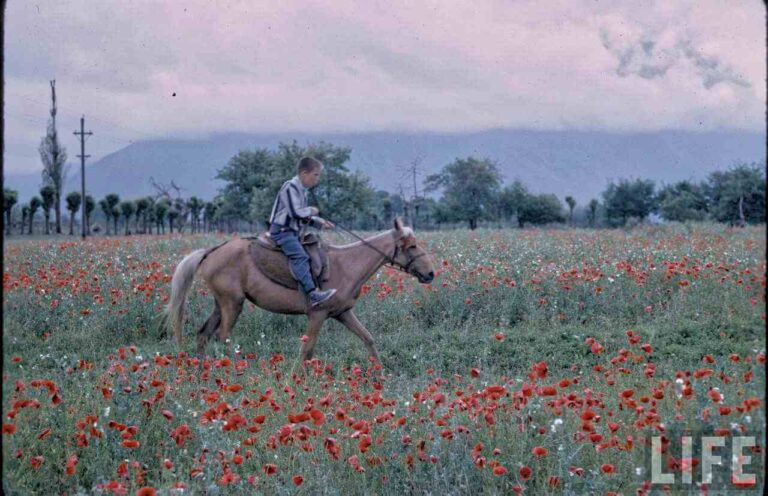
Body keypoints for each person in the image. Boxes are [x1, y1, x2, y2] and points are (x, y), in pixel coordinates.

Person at [268, 156, 337, 308]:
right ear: (304, 173)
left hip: (293, 231)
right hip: (283, 231)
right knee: (300, 256)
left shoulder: (301, 190)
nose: (317, 179)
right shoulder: (290, 187)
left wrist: (320, 223)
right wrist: (313, 210)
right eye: (316, 175)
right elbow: (296, 213)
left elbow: (303, 217)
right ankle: (312, 294)